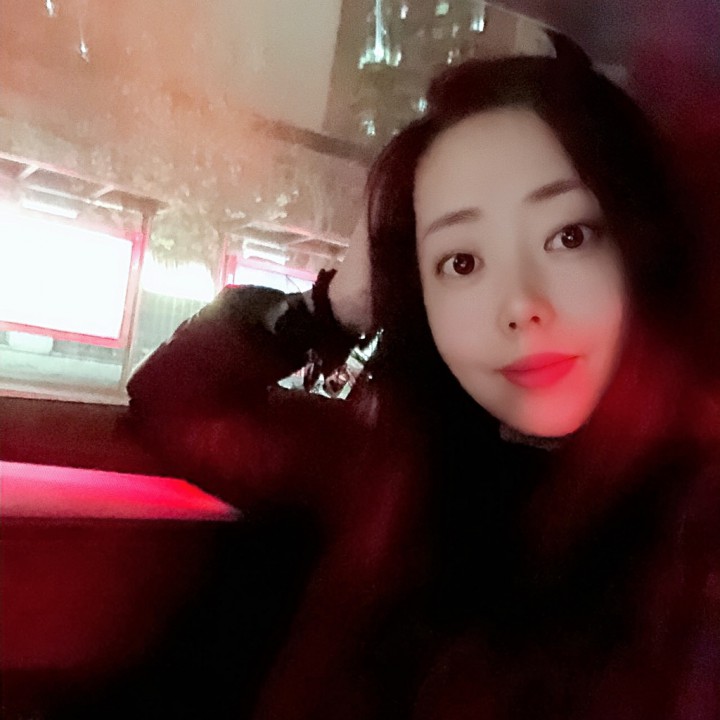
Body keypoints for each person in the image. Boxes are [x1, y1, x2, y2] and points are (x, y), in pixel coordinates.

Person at [116, 32, 719, 720]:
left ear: (641, 242)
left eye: (568, 237)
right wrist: (332, 305)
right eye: (462, 262)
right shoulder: (397, 458)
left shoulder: (692, 516)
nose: (518, 303)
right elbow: (179, 402)